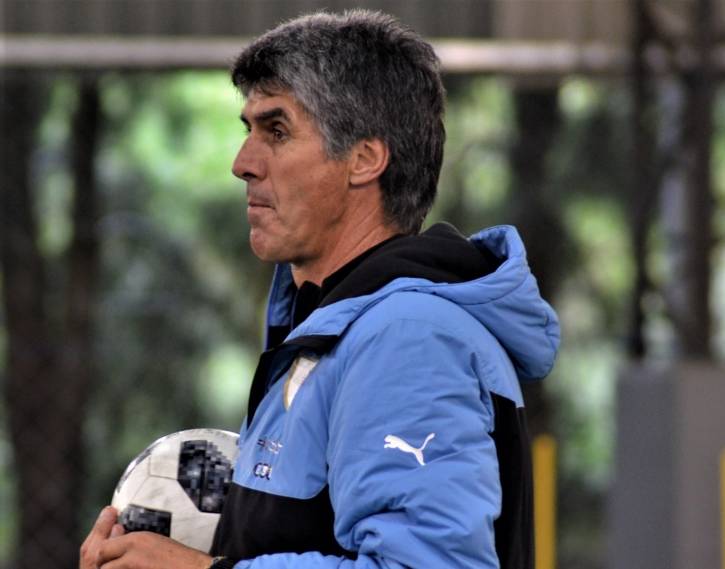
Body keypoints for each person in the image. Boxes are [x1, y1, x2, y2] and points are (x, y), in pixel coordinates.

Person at [80, 10, 559, 569]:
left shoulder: (408, 338)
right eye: (247, 130)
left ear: (364, 160)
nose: (242, 163)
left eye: (276, 131)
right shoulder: (338, 330)